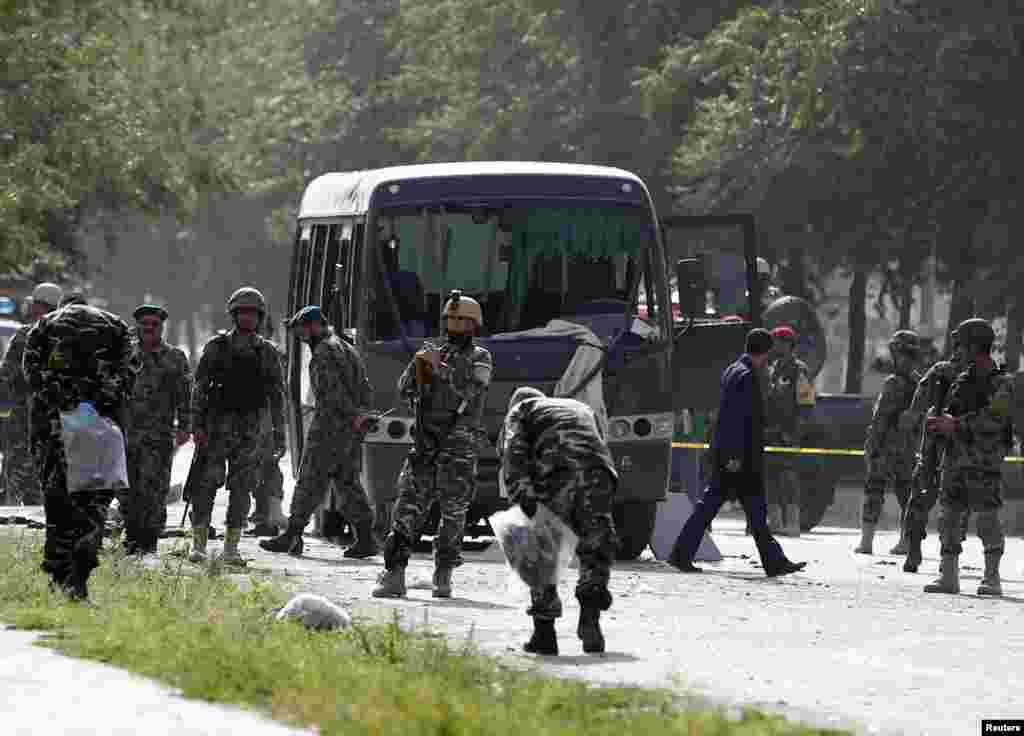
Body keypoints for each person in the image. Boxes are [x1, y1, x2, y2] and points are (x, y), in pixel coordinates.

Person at [373, 290, 493, 599]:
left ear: (473, 326)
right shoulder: (432, 353)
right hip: (426, 443)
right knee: (407, 509)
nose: (455, 328)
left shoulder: (480, 357)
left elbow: (473, 391)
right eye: (452, 321)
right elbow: (404, 390)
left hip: (458, 446)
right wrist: (419, 365)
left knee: (453, 513)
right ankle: (394, 573)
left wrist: (442, 370)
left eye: (462, 322)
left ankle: (443, 573)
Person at [22, 297, 137, 600]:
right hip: (99, 426)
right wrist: (100, 400)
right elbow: (128, 374)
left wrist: (60, 399)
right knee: (94, 503)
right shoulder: (116, 326)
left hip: (57, 426)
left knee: (58, 501)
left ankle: (59, 574)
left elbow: (31, 373)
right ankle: (80, 576)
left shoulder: (45, 325)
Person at [667, 328, 807, 578]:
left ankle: (774, 561)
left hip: (735, 455)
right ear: (764, 353)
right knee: (724, 509)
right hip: (739, 457)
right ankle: (681, 554)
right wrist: (734, 456)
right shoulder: (746, 376)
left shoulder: (734, 369)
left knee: (748, 511)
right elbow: (735, 420)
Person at [499, 386, 618, 656]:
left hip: (555, 474)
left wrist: (523, 507)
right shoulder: (580, 408)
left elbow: (513, 458)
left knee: (538, 549)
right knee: (595, 545)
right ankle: (590, 619)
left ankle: (545, 634)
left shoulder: (520, 411)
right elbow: (599, 445)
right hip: (599, 473)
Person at [260, 305, 377, 558]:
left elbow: (332, 394)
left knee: (309, 480)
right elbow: (365, 388)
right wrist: (361, 415)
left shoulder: (324, 351)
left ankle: (292, 536)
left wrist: (351, 415)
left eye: (301, 329)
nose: (300, 336)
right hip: (349, 429)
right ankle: (366, 538)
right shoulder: (346, 347)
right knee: (348, 483)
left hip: (330, 425)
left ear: (314, 326)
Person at [187, 287, 286, 565]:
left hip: (251, 430)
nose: (247, 318)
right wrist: (196, 425)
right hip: (217, 427)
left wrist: (279, 433)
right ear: (233, 314)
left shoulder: (267, 352)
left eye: (253, 313)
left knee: (242, 490)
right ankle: (199, 544)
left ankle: (231, 548)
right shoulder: (216, 348)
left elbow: (277, 395)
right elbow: (199, 388)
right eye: (243, 312)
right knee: (205, 486)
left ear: (260, 317)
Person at [922, 318, 1016, 596]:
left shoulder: (1003, 383)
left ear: (976, 346)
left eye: (961, 345)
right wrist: (938, 422)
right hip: (954, 461)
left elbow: (994, 420)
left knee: (987, 519)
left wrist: (956, 424)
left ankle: (992, 577)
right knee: (949, 517)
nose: (956, 351)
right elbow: (951, 414)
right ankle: (948, 576)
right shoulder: (960, 381)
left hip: (983, 463)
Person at [119, 304, 192, 555]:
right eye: (145, 324)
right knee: (126, 489)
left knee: (155, 490)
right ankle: (130, 539)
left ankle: (148, 543)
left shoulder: (175, 358)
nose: (149, 328)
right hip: (126, 435)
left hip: (159, 436)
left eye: (155, 324)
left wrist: (185, 427)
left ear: (161, 328)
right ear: (137, 326)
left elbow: (185, 396)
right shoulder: (124, 355)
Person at [902, 329, 969, 572]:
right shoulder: (955, 372)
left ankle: (919, 554)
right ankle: (934, 556)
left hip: (941, 443)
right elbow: (916, 408)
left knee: (929, 498)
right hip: (951, 444)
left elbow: (915, 409)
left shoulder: (942, 370)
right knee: (951, 502)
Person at [854, 330, 921, 555]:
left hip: (886, 446)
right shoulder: (920, 383)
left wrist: (871, 446)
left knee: (874, 490)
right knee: (906, 495)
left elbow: (880, 418)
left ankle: (866, 542)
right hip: (909, 448)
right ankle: (906, 542)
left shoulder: (893, 382)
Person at [0, 282, 62, 505]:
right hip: (53, 429)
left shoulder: (25, 336)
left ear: (38, 307)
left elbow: (6, 378)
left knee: (13, 488)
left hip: (22, 427)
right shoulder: (67, 340)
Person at [762, 325, 815, 536]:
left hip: (788, 431)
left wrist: (796, 431)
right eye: (775, 341)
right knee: (769, 476)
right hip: (769, 432)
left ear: (790, 345)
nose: (777, 345)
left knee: (788, 477)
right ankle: (774, 522)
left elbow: (807, 402)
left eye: (781, 341)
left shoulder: (798, 369)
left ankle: (792, 522)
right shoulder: (772, 367)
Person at [247, 309, 288, 536]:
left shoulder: (271, 352)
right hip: (248, 417)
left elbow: (278, 392)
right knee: (253, 468)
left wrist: (278, 426)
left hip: (266, 417)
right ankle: (263, 515)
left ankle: (272, 515)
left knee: (268, 466)